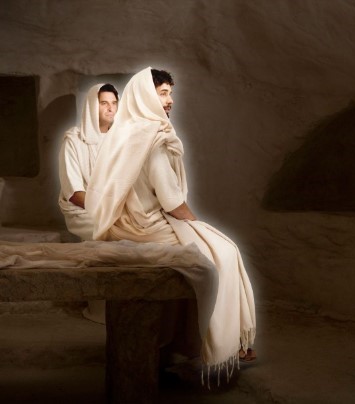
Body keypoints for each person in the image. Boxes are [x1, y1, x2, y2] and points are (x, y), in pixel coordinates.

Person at [86, 67, 256, 381]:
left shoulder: (125, 133)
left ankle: (182, 347)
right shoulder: (152, 140)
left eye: (170, 93)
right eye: (163, 93)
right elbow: (172, 201)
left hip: (125, 225)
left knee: (217, 248)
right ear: (146, 97)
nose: (170, 100)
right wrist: (196, 223)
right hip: (147, 228)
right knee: (224, 252)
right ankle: (225, 345)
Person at [58, 83, 119, 324]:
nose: (110, 108)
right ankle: (101, 311)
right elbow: (74, 193)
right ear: (92, 106)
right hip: (81, 208)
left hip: (115, 206)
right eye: (104, 103)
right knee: (110, 233)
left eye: (114, 103)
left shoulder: (120, 139)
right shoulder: (74, 140)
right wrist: (110, 208)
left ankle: (123, 309)